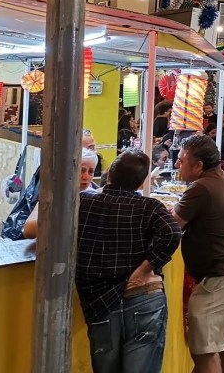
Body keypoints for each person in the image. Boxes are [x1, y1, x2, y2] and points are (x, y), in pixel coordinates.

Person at [75, 150, 182, 373]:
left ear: (109, 175)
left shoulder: (82, 201)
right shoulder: (149, 207)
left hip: (99, 301)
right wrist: (146, 269)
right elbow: (172, 233)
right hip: (143, 297)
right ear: (141, 182)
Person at [173, 134, 224, 373]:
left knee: (205, 352)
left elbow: (171, 227)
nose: (177, 165)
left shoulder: (200, 188)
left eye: (181, 160)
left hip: (220, 280)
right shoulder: (221, 177)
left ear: (198, 166)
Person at [23, 149, 99, 239]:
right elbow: (28, 231)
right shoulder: (55, 195)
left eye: (91, 172)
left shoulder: (96, 196)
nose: (86, 177)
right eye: (81, 170)